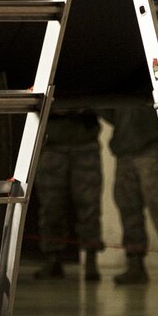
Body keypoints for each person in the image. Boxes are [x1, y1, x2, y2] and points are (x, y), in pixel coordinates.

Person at [103, 102, 158, 285]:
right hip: (124, 151)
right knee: (128, 209)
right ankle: (135, 264)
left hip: (150, 149)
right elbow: (106, 110)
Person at [31, 104, 104, 280]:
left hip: (85, 143)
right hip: (53, 145)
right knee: (51, 204)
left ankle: (91, 259)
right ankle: (52, 258)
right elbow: (35, 102)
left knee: (89, 205)